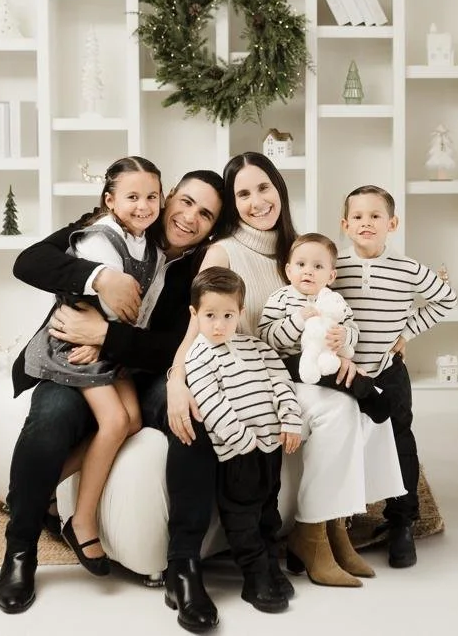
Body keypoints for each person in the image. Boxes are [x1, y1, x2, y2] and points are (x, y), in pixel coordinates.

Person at [164, 152, 406, 592]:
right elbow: (196, 323)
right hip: (252, 374)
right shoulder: (224, 250)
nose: (257, 201)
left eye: (263, 188)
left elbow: (337, 309)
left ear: (279, 188)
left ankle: (337, 528)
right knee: (336, 408)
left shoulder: (297, 248)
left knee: (367, 405)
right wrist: (176, 379)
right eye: (242, 193)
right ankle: (310, 534)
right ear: (232, 203)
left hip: (294, 368)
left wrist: (348, 343)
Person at [0, 169, 224, 628]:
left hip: (145, 369)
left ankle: (184, 564)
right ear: (169, 197)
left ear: (213, 227)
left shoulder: (203, 266)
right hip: (75, 357)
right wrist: (99, 278)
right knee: (53, 417)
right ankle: (20, 546)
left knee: (194, 415)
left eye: (205, 214)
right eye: (185, 202)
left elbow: (177, 342)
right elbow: (30, 261)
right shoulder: (118, 220)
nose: (189, 217)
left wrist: (107, 335)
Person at [19, 156, 164, 576]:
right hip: (76, 343)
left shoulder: (150, 248)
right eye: (132, 196)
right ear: (109, 200)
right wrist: (102, 337)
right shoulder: (100, 238)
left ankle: (37, 490)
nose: (143, 205)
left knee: (133, 419)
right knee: (116, 421)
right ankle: (81, 520)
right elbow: (95, 302)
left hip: (107, 348)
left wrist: (113, 344)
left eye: (152, 196)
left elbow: (144, 308)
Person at [333, 185, 457, 568]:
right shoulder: (336, 266)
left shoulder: (407, 268)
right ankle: (342, 517)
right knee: (345, 442)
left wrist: (406, 333)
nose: (366, 223)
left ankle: (402, 521)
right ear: (345, 224)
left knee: (399, 440)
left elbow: (445, 299)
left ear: (392, 223)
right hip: (346, 374)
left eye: (375, 216)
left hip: (388, 372)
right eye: (358, 217)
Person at [182, 267, 302, 614]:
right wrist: (243, 441)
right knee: (243, 515)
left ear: (240, 313)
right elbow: (211, 404)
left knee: (268, 509)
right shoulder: (198, 357)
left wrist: (290, 420)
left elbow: (282, 383)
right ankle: (254, 575)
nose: (218, 325)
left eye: (227, 316)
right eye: (209, 316)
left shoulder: (256, 348)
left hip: (271, 447)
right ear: (195, 315)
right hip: (238, 452)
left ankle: (268, 564)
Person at [256, 233, 389, 423]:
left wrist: (344, 336)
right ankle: (367, 395)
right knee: (328, 371)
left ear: (331, 275)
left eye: (318, 266)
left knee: (334, 369)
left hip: (326, 356)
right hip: (289, 361)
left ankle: (366, 393)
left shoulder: (333, 300)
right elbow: (266, 337)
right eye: (301, 265)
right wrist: (297, 320)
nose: (308, 271)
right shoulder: (281, 298)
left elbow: (352, 328)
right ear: (288, 270)